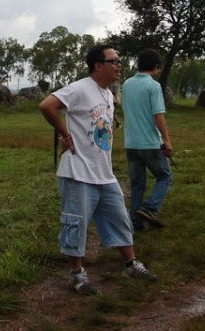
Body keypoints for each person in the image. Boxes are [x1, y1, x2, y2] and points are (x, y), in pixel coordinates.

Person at [39, 45, 158, 295]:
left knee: (120, 218)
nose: (119, 65)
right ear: (98, 65)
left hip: (104, 172)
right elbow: (46, 105)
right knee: (76, 223)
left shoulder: (107, 93)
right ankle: (76, 274)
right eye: (115, 60)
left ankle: (129, 263)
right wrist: (65, 134)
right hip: (78, 171)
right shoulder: (80, 88)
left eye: (120, 60)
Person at [122, 49, 173, 231]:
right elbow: (158, 115)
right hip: (150, 144)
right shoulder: (153, 86)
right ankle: (150, 209)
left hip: (130, 143)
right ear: (155, 66)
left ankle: (136, 224)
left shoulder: (126, 84)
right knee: (165, 177)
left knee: (137, 185)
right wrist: (166, 140)